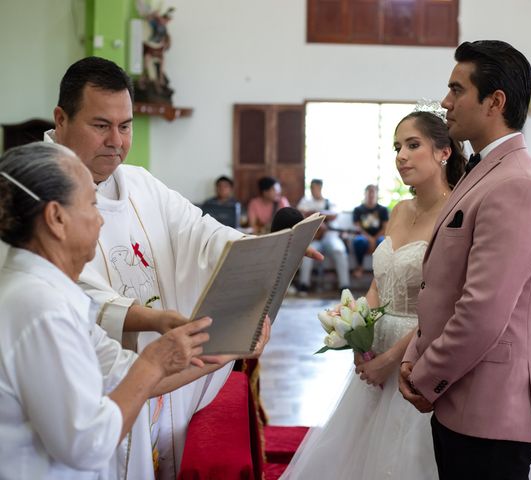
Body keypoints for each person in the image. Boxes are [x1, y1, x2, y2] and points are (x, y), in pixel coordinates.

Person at [282, 109, 531, 479]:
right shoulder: (398, 211)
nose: (401, 155)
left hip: (423, 357)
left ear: (443, 151)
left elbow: (451, 307)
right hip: (377, 354)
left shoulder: (457, 212)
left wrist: (391, 360)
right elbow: (379, 285)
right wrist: (355, 329)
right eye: (397, 146)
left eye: (413, 145)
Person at [46, 56, 307, 479]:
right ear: (61, 118)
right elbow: (69, 292)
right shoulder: (37, 189)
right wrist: (157, 320)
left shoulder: (139, 183)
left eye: (126, 126)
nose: (117, 140)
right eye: (101, 125)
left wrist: (270, 252)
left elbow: (201, 232)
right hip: (92, 393)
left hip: (160, 375)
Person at [0, 142, 270, 478]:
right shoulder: (37, 306)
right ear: (56, 218)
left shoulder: (50, 291)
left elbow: (124, 375)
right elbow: (86, 444)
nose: (101, 221)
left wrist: (232, 347)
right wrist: (153, 361)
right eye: (92, 205)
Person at [397, 40, 531, 479]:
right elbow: (442, 285)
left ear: (495, 101)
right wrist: (414, 352)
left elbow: (482, 312)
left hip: (492, 411)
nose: (445, 102)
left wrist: (424, 376)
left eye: (457, 90)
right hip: (465, 398)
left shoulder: (517, 185)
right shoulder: (484, 169)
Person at [297, 178, 350, 293]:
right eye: (311, 188)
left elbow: (334, 215)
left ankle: (344, 286)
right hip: (313, 237)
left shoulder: (329, 202)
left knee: (339, 250)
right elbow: (300, 214)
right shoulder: (305, 201)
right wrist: (321, 216)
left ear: (320, 188)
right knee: (307, 253)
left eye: (315, 188)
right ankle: (304, 284)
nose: (313, 190)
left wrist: (316, 214)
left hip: (331, 236)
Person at [351, 185, 388, 279]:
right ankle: (359, 267)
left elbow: (385, 227)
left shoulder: (383, 210)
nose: (371, 195)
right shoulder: (358, 210)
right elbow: (358, 227)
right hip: (364, 236)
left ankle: (382, 270)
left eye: (373, 192)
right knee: (359, 241)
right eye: (369, 192)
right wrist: (370, 239)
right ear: (365, 194)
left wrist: (374, 239)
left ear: (376, 194)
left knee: (383, 242)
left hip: (379, 236)